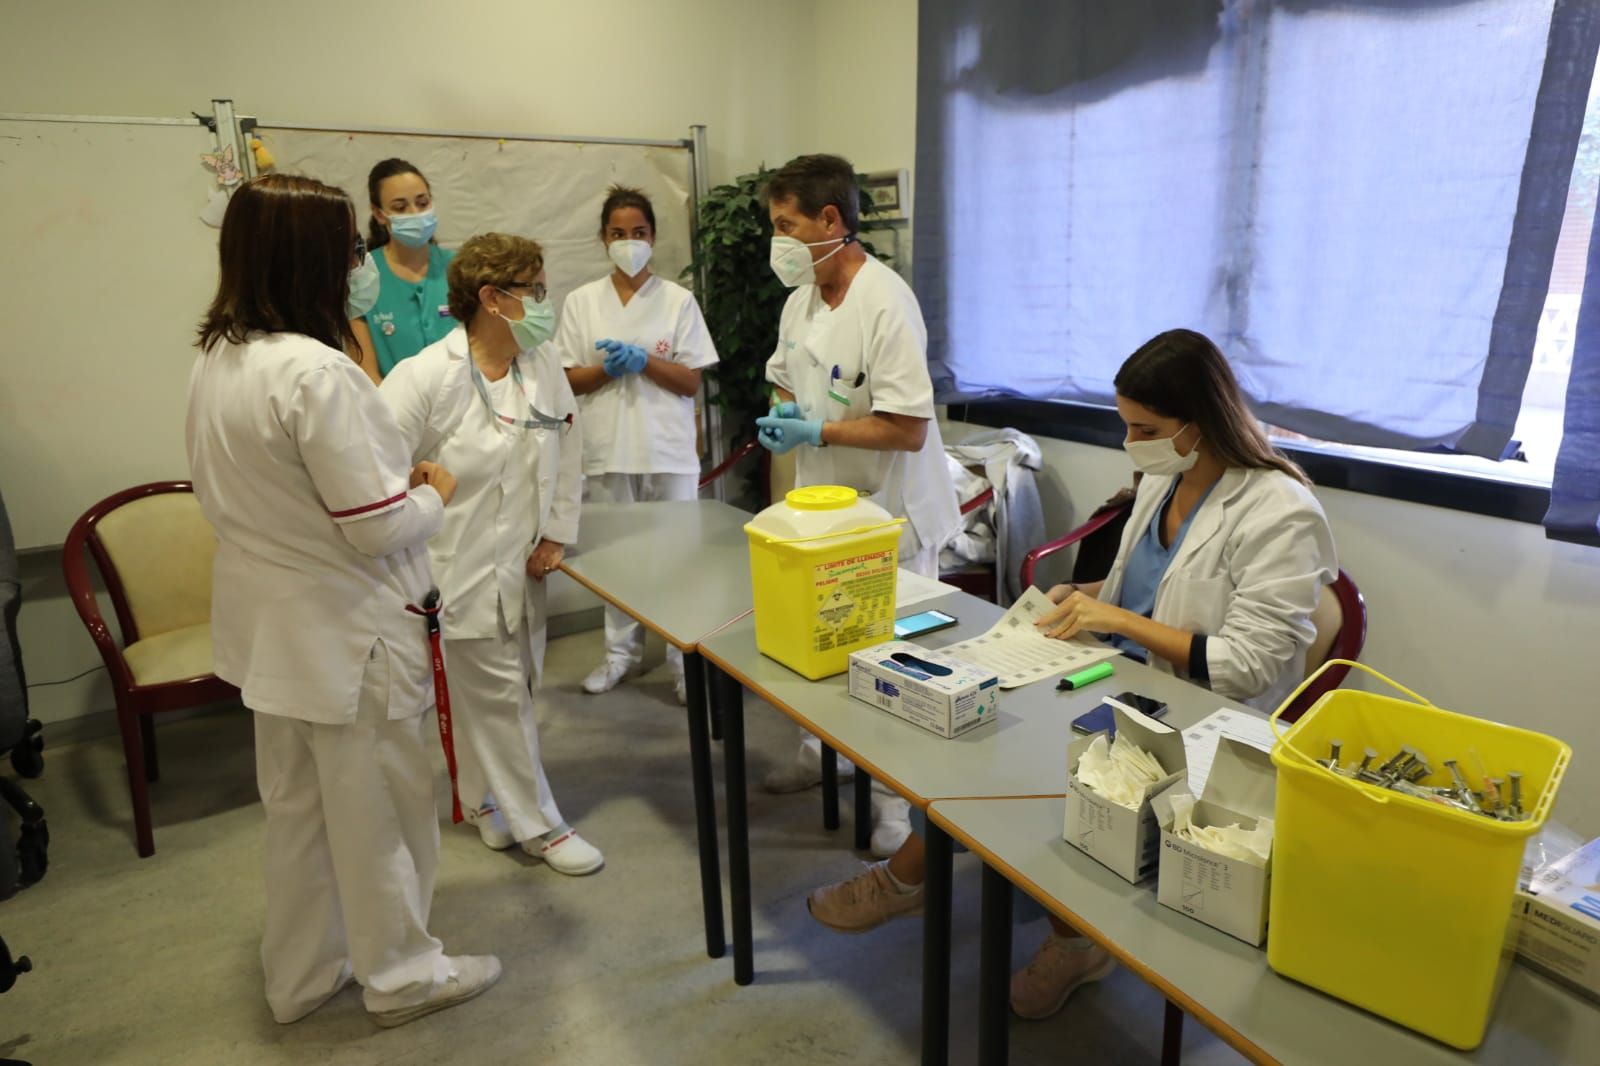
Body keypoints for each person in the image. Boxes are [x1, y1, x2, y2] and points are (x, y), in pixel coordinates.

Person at [804, 328, 1337, 1021]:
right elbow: (1137, 590)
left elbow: (1246, 666)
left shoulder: (1280, 510)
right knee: (974, 734)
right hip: (1119, 680)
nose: (1129, 443)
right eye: (1125, 425)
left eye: (1145, 428)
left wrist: (1115, 623)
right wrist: (1084, 598)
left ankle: (1044, 929)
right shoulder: (1164, 480)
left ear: (1200, 424)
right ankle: (934, 886)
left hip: (1204, 722)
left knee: (1019, 772)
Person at [186, 174, 500, 1028]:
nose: (362, 262)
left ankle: (300, 975)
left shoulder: (219, 357)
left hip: (273, 636)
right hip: (353, 636)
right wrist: (435, 491)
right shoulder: (318, 372)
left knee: (298, 817)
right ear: (314, 259)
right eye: (350, 247)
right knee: (382, 819)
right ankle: (402, 977)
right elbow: (375, 525)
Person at [754, 154, 961, 856]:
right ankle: (820, 759)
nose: (777, 240)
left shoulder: (885, 301)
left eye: (786, 225)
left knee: (891, 662)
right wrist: (784, 413)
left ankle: (898, 809)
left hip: (891, 517)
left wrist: (818, 430)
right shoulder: (801, 298)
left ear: (830, 220)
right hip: (824, 511)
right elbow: (784, 377)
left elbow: (907, 426)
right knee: (824, 648)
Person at [381, 233, 603, 875]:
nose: (544, 301)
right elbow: (370, 472)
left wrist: (557, 532)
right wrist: (414, 490)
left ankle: (484, 804)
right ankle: (543, 826)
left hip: (524, 565)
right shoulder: (425, 378)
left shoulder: (541, 363)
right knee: (502, 697)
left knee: (507, 689)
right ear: (491, 299)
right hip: (453, 569)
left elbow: (569, 446)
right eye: (533, 290)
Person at [553, 185, 719, 705]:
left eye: (639, 233)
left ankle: (682, 660)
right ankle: (620, 656)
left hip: (667, 447)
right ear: (604, 238)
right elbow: (568, 380)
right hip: (606, 447)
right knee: (617, 561)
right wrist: (606, 368)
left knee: (679, 559)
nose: (629, 242)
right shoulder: (582, 302)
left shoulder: (677, 301)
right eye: (618, 233)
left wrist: (646, 361)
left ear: (654, 236)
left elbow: (691, 380)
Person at [352, 158, 457, 382]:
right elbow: (365, 372)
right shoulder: (361, 277)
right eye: (400, 207)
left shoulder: (460, 268)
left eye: (422, 203)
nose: (415, 213)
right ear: (379, 214)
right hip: (392, 412)